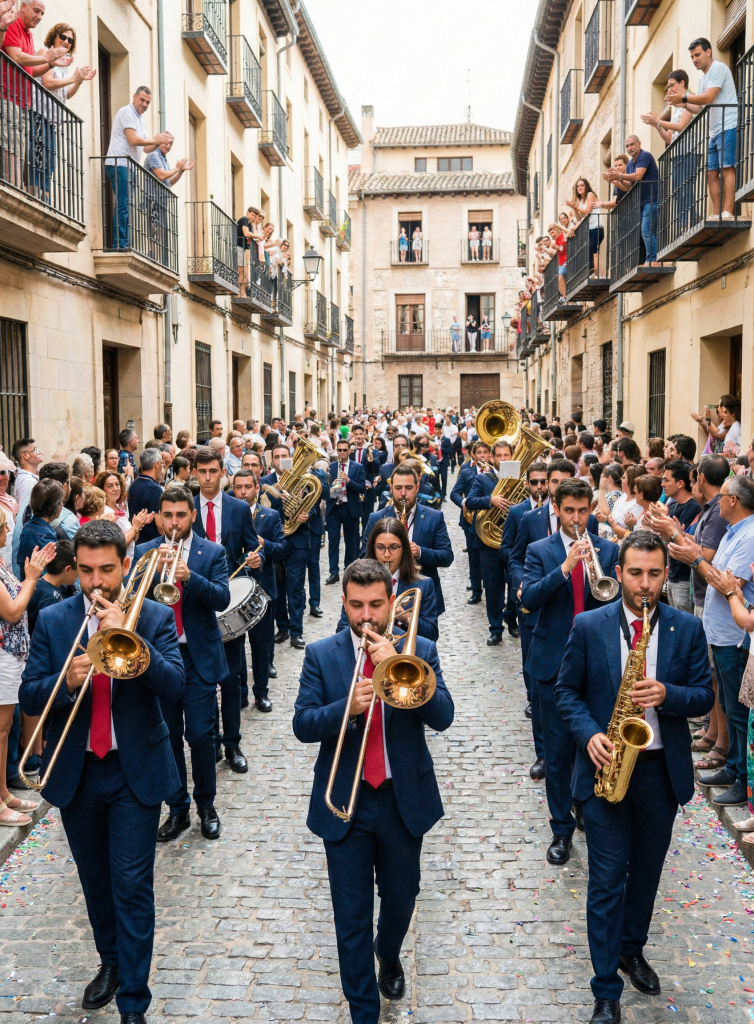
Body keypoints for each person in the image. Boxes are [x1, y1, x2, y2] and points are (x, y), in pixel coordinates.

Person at [20, 521, 183, 1022]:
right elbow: (29, 693)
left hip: (134, 770)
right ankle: (111, 961)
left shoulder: (153, 616)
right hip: (78, 771)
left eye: (107, 571)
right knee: (95, 881)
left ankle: (134, 1000)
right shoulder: (53, 619)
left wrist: (133, 640)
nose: (97, 583)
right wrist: (64, 682)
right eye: (87, 572)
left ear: (125, 566)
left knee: (132, 882)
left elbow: (177, 687)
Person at [554, 531, 713, 1024]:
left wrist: (669, 694)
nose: (644, 584)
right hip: (606, 771)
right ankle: (605, 989)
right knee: (605, 881)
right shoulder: (588, 625)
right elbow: (566, 694)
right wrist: (588, 736)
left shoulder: (686, 629)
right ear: (618, 572)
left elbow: (705, 696)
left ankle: (631, 949)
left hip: (659, 775)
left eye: (654, 573)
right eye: (635, 573)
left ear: (666, 574)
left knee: (644, 876)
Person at [293, 558, 453, 1024]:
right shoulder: (322, 654)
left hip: (404, 799)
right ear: (343, 603)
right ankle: (363, 1011)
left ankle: (390, 952)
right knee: (351, 915)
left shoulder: (419, 646)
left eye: (376, 605)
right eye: (357, 605)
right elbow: (303, 724)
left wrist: (402, 668)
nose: (367, 616)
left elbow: (444, 716)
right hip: (347, 801)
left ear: (391, 604)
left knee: (403, 896)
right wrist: (347, 706)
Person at [521, 479, 620, 866]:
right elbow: (529, 599)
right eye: (570, 511)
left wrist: (595, 567)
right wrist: (565, 567)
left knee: (592, 746)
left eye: (584, 511)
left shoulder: (608, 549)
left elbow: (614, 602)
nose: (577, 519)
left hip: (596, 664)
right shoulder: (539, 550)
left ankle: (586, 811)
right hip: (552, 662)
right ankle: (560, 829)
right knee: (558, 754)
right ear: (557, 510)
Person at [131, 486, 230, 843]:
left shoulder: (211, 552)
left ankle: (206, 804)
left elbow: (222, 598)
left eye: (181, 515)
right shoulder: (144, 551)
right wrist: (147, 574)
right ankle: (177, 808)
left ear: (192, 516)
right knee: (168, 735)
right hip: (158, 658)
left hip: (196, 656)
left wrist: (191, 577)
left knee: (201, 735)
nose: (174, 522)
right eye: (168, 515)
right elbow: (131, 602)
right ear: (159, 517)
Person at [680, 475, 754, 808]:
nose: (717, 501)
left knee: (738, 711)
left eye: (721, 496)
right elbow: (720, 578)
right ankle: (734, 768)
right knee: (725, 700)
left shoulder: (750, 535)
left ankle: (741, 777)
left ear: (734, 501)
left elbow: (730, 583)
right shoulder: (734, 531)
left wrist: (697, 561)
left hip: (736, 637)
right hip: (723, 633)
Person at [191, 447, 261, 769]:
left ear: (223, 473)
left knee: (231, 679)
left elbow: (250, 548)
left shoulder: (238, 508)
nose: (207, 478)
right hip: (195, 604)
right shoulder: (185, 509)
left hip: (229, 601)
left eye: (212, 472)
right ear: (195, 472)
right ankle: (211, 740)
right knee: (203, 680)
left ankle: (233, 745)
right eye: (202, 472)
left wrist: (256, 561)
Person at [0, 507, 54, 825]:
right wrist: (32, 578)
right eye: (4, 526)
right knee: (1, 729)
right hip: (3, 653)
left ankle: (4, 793)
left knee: (5, 729)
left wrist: (28, 577)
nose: (8, 531)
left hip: (11, 653)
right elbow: (13, 610)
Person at [500, 460, 549, 774]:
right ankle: (535, 701)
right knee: (531, 656)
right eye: (535, 482)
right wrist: (521, 583)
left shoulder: (574, 517)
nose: (541, 487)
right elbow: (509, 551)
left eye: (545, 481)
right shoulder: (520, 513)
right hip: (528, 596)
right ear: (527, 484)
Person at [361, 463, 453, 616]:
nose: (403, 493)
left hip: (423, 597)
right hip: (384, 594)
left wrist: (420, 552)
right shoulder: (376, 518)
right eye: (398, 488)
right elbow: (364, 557)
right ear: (391, 489)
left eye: (408, 488)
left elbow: (447, 557)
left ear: (417, 488)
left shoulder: (434, 517)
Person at [230, 470, 286, 712]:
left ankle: (261, 693)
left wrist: (264, 545)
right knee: (236, 644)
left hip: (262, 587)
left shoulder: (271, 515)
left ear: (257, 488)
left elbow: (283, 548)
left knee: (260, 645)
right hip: (235, 589)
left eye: (247, 487)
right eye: (238, 487)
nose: (243, 492)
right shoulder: (230, 513)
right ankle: (241, 692)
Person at [669, 37, 738, 220]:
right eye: (692, 57)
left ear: (708, 52)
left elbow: (709, 98)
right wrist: (683, 104)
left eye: (697, 55)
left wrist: (683, 98)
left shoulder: (718, 68)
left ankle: (728, 211)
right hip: (714, 131)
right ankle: (716, 213)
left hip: (728, 125)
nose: (694, 60)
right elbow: (699, 108)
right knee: (711, 173)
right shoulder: (702, 80)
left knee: (727, 168)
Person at [335, 518, 438, 641]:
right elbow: (342, 628)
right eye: (380, 547)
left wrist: (406, 617)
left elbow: (431, 635)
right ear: (373, 549)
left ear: (404, 549)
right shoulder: (358, 581)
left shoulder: (423, 585)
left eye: (394, 547)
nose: (387, 555)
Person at [105, 87, 173, 249]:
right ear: (134, 97)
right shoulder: (127, 112)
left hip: (129, 167)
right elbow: (133, 140)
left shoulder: (140, 119)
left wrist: (157, 142)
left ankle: (123, 242)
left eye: (148, 102)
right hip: (119, 163)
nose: (144, 104)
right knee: (123, 204)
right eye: (142, 100)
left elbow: (144, 148)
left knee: (126, 205)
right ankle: (120, 244)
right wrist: (154, 139)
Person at [466, 440, 516, 645]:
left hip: (513, 541)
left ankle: (512, 618)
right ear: (492, 458)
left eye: (507, 455)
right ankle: (496, 628)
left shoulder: (519, 478)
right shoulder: (483, 478)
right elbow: (469, 501)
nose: (503, 459)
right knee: (493, 588)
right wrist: (491, 500)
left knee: (515, 584)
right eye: (499, 456)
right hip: (488, 543)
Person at [605, 136, 659, 265]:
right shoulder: (630, 164)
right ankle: (650, 258)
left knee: (646, 230)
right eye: (627, 146)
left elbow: (638, 176)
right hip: (640, 202)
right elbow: (629, 186)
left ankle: (653, 259)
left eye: (632, 145)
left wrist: (619, 175)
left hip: (651, 199)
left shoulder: (645, 156)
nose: (630, 148)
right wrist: (615, 181)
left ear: (639, 144)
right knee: (644, 231)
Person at [450, 440, 489, 603]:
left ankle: (490, 586)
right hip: (471, 520)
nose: (482, 455)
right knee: (474, 557)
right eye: (479, 452)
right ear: (473, 454)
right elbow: (455, 493)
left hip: (490, 521)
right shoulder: (466, 472)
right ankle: (476, 590)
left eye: (485, 452)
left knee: (489, 558)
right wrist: (464, 503)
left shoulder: (496, 471)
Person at [325, 438, 366, 584]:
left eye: (344, 450)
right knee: (333, 541)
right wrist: (332, 488)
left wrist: (348, 481)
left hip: (350, 508)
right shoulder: (332, 466)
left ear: (349, 451)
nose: (342, 453)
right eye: (339, 450)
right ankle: (333, 572)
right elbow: (326, 489)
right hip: (334, 508)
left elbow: (362, 488)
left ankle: (350, 570)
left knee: (351, 542)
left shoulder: (358, 467)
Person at [127, 448, 164, 543]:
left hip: (136, 539)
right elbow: (160, 526)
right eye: (161, 463)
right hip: (151, 542)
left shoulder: (134, 484)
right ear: (156, 464)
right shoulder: (155, 489)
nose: (162, 467)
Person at [349, 424, 377, 537]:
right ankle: (355, 537)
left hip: (368, 487)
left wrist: (372, 460)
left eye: (361, 434)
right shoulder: (350, 449)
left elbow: (376, 468)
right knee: (354, 515)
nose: (358, 436)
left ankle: (365, 539)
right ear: (353, 435)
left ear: (365, 435)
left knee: (367, 515)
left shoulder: (371, 448)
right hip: (354, 486)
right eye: (356, 434)